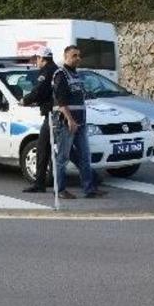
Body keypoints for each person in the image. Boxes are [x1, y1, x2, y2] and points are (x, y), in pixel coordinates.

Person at [52, 45, 106, 199]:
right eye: (74, 56)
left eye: (79, 55)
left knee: (85, 157)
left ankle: (89, 188)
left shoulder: (76, 75)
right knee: (62, 158)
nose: (78, 59)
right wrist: (70, 120)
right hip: (66, 124)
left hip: (80, 123)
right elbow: (61, 102)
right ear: (66, 57)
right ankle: (60, 190)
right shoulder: (61, 74)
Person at [21, 46, 58, 192]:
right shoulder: (56, 69)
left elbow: (39, 91)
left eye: (37, 58)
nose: (36, 62)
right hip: (56, 113)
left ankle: (39, 184)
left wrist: (25, 100)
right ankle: (91, 177)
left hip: (52, 114)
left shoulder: (47, 71)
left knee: (43, 147)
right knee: (67, 148)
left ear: (42, 58)